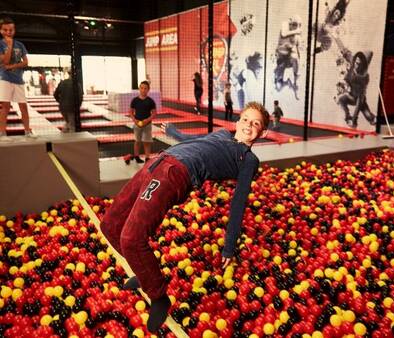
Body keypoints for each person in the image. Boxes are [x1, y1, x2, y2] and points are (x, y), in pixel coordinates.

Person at [100, 101, 270, 333]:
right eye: (246, 119)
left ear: (263, 132)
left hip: (175, 172)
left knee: (131, 238)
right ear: (237, 121)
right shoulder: (221, 133)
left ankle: (159, 297)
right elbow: (193, 142)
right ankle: (144, 274)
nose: (249, 125)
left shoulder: (248, 159)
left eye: (256, 123)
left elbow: (238, 203)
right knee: (110, 225)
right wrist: (172, 131)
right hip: (155, 163)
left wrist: (229, 247)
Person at [0, 17, 35, 140]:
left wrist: (13, 66)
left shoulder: (20, 44)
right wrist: (9, 46)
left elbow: (26, 62)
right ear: (1, 31)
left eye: (11, 30)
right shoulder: (0, 44)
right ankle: (2, 133)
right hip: (5, 78)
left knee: (23, 106)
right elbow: (4, 60)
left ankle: (27, 131)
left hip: (18, 79)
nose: (8, 32)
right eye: (5, 30)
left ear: (14, 30)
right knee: (5, 106)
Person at [337, 50, 376, 128]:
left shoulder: (363, 78)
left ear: (362, 65)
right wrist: (336, 38)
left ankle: (373, 119)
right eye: (355, 62)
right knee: (341, 99)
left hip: (359, 99)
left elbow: (359, 101)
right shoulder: (353, 64)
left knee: (369, 117)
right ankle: (348, 116)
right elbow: (346, 54)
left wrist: (354, 120)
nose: (355, 65)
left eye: (358, 64)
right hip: (351, 96)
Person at [127, 80, 156, 164]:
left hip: (147, 124)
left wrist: (147, 120)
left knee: (147, 142)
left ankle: (147, 158)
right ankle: (136, 156)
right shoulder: (135, 100)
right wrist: (134, 120)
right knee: (137, 141)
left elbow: (154, 113)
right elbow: (131, 112)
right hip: (137, 124)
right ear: (139, 88)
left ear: (148, 90)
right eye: (142, 88)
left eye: (145, 88)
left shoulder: (150, 101)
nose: (143, 90)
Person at [274, 15, 301, 100]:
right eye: (293, 24)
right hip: (281, 59)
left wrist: (296, 72)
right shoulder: (285, 27)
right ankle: (286, 83)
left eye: (296, 25)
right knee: (278, 87)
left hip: (288, 59)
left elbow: (298, 51)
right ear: (290, 23)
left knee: (295, 58)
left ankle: (294, 81)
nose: (294, 27)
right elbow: (284, 33)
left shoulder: (296, 37)